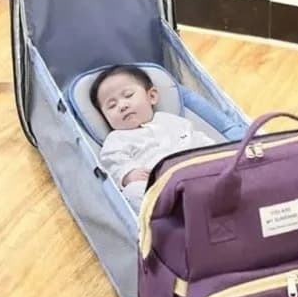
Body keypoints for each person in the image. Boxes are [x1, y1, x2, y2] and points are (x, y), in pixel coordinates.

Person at [90, 65, 215, 211]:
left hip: (194, 173)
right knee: (132, 192)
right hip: (159, 186)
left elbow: (198, 139)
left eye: (128, 95)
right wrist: (128, 174)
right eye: (112, 106)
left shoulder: (171, 120)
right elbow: (113, 162)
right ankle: (176, 215)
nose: (122, 106)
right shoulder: (116, 139)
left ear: (152, 96)